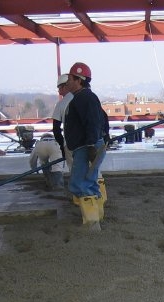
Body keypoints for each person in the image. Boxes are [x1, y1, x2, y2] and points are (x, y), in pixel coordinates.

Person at [62, 61, 107, 230]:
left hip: (86, 146)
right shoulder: (86, 98)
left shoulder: (84, 98)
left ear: (79, 80)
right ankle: (97, 218)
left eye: (70, 79)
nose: (68, 83)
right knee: (90, 182)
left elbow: (93, 123)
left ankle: (92, 224)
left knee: (80, 184)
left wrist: (90, 145)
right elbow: (101, 120)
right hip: (90, 145)